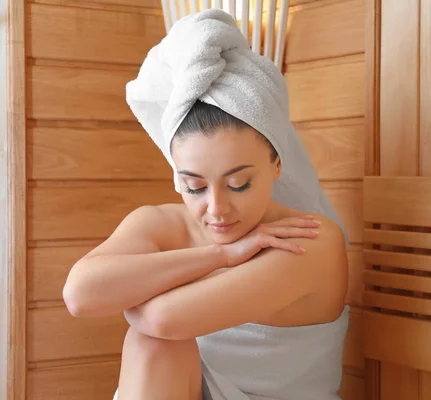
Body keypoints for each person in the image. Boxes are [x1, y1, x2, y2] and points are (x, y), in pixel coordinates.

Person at [62, 9, 350, 400]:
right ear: (176, 175)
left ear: (276, 164)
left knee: (154, 336)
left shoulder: (311, 240)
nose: (216, 208)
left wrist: (128, 293)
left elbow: (163, 318)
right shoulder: (162, 224)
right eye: (194, 186)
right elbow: (79, 295)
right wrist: (222, 256)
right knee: (152, 346)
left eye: (238, 183)